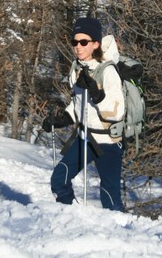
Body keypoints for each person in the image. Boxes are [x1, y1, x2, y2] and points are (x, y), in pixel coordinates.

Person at [42, 17, 125, 211]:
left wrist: (98, 95)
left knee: (109, 195)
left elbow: (117, 112)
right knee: (59, 179)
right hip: (85, 137)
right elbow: (78, 103)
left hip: (108, 140)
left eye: (84, 42)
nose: (78, 47)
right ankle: (70, 216)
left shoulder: (108, 71)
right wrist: (64, 119)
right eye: (75, 42)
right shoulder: (76, 67)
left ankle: (120, 235)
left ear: (96, 43)